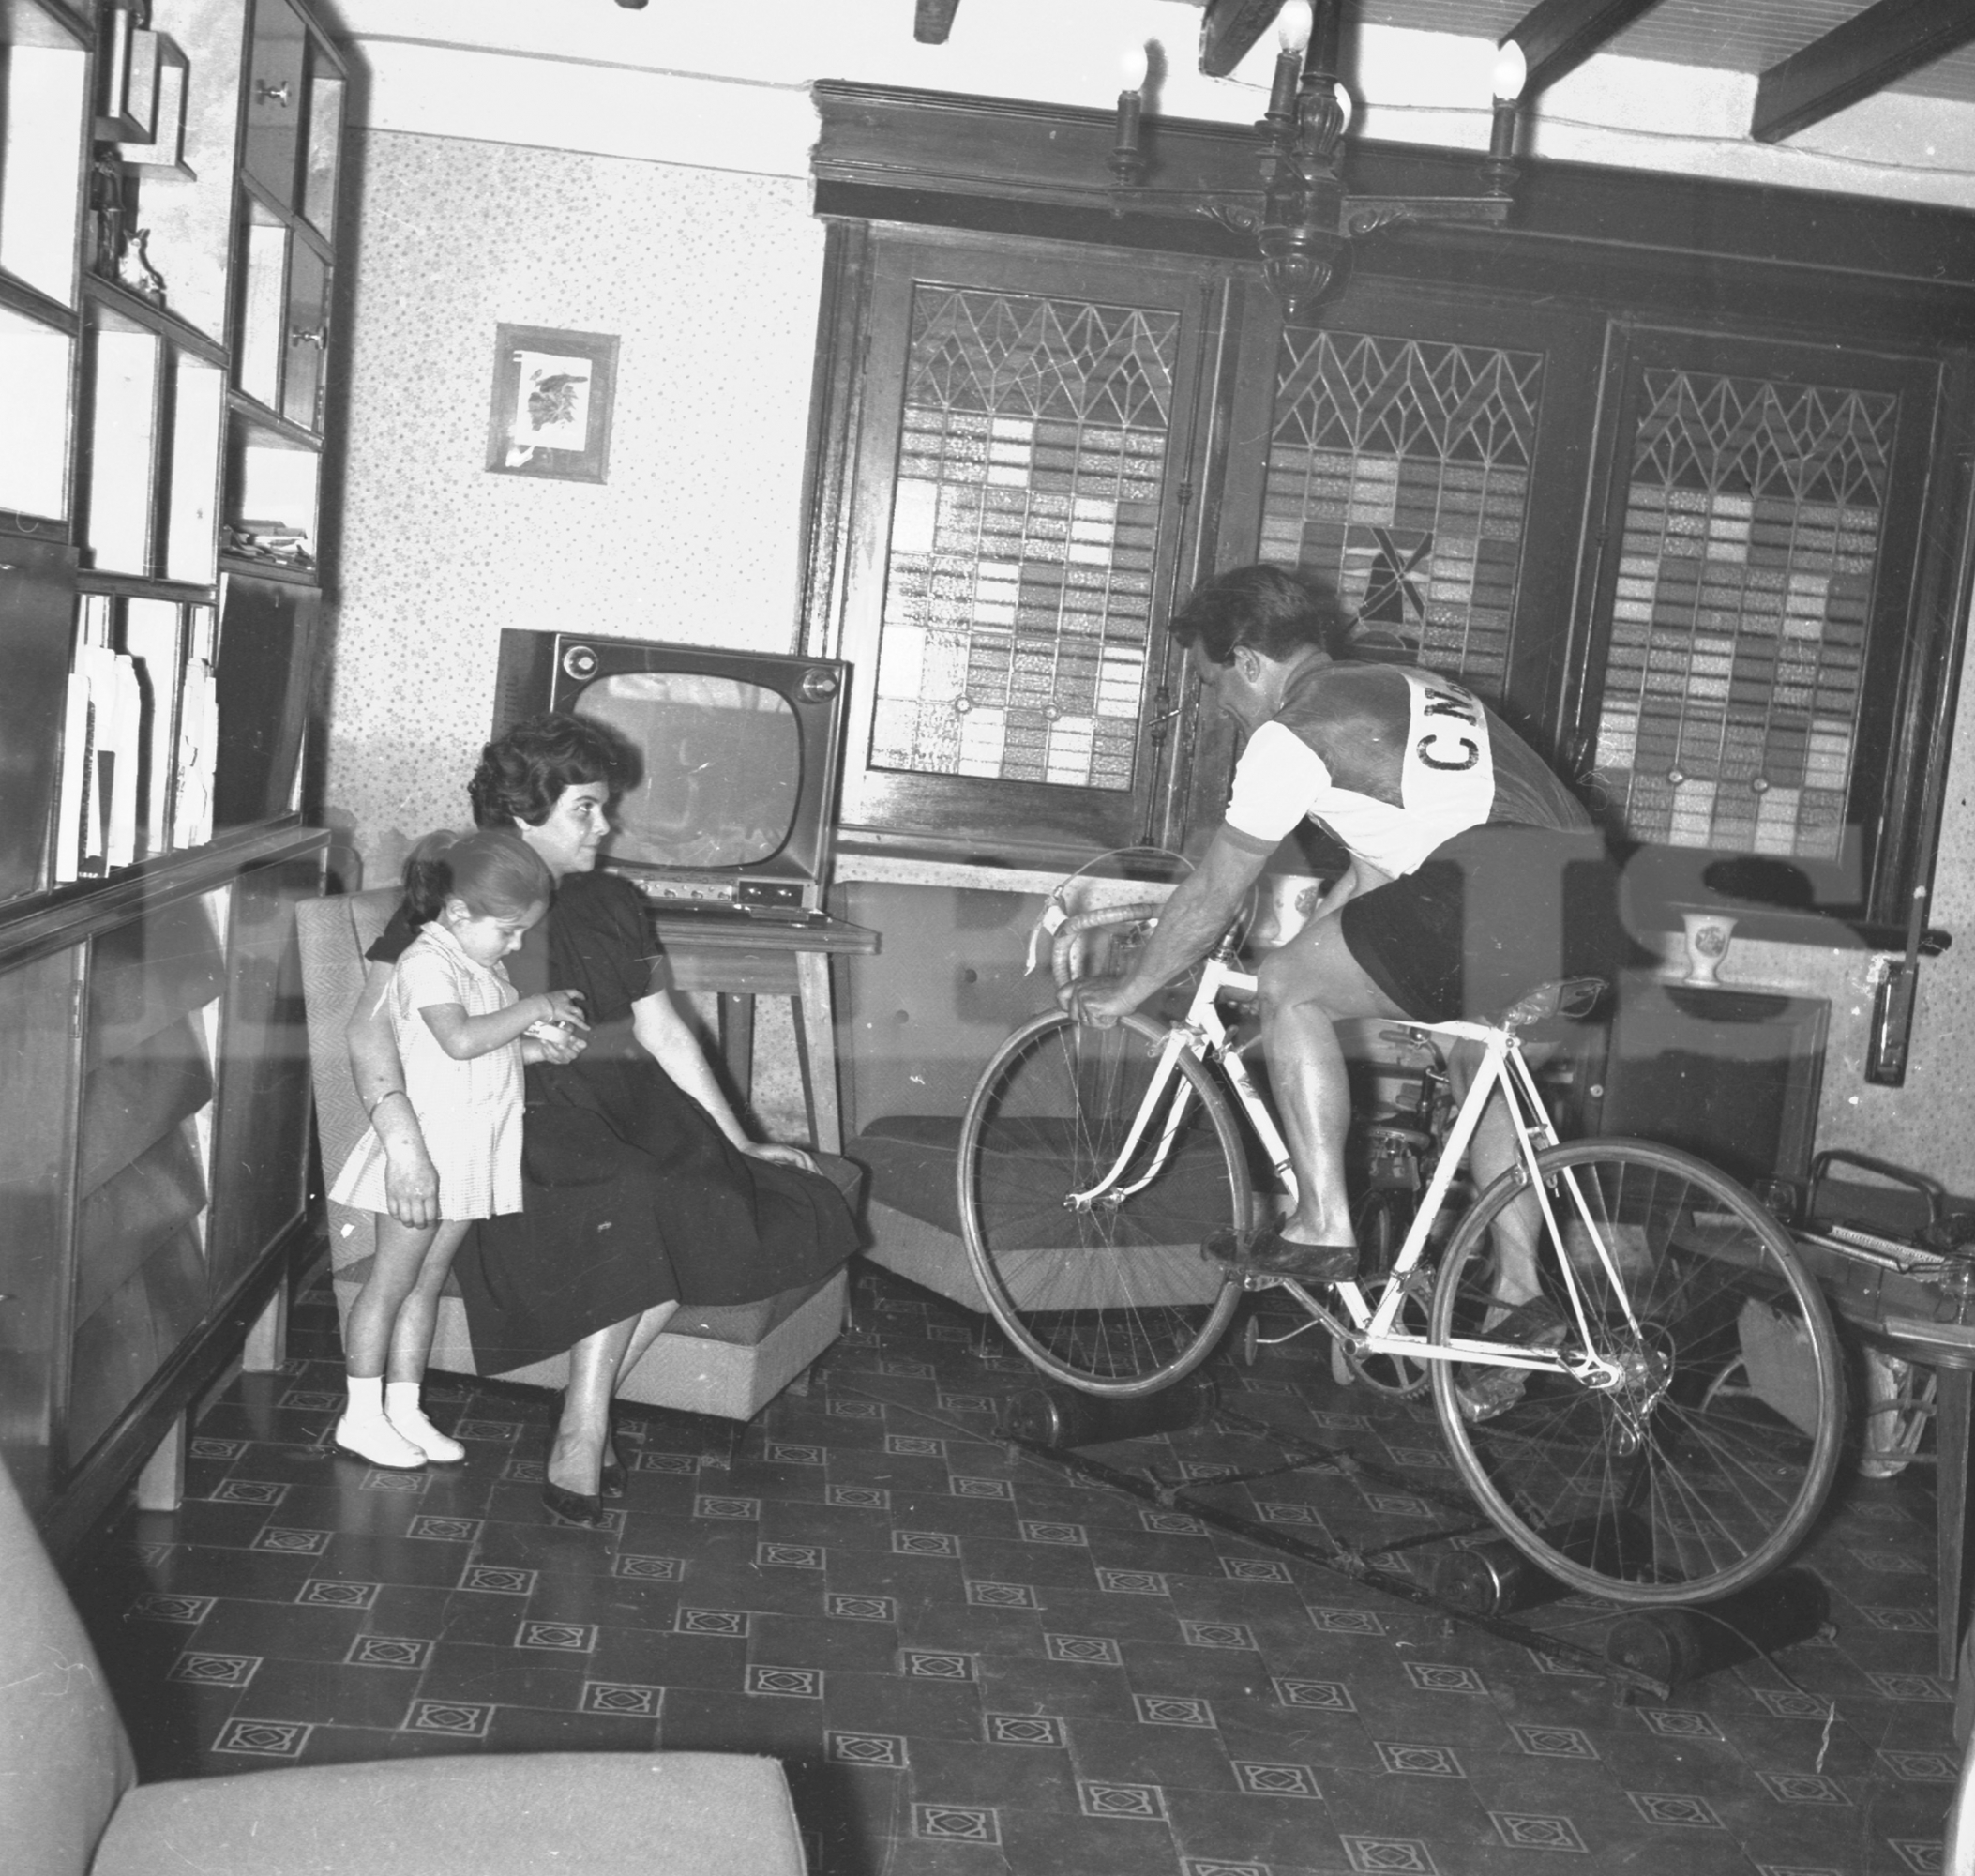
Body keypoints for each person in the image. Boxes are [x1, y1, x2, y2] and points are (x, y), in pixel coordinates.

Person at [1062, 565, 1620, 1384]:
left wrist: (1136, 987)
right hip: (1593, 905)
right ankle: (1520, 1294)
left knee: (1296, 986)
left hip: (1484, 891)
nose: (1220, 703)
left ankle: (1323, 1222)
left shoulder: (1288, 734)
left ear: (1250, 662)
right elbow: (1372, 879)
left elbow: (1219, 886)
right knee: (1476, 1059)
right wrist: (1276, 1002)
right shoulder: (1416, 686)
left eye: (1216, 681)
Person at [347, 713, 859, 1524]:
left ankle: (585, 1411)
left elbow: (662, 1029)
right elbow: (371, 1023)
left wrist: (740, 1137)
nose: (606, 824)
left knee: (711, 1185)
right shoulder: (461, 890)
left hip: (622, 1101)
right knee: (635, 1188)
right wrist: (399, 1134)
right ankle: (585, 1430)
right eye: (586, 808)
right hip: (517, 1112)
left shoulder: (617, 901)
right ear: (525, 815)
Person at [329, 829, 584, 1470]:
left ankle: (405, 1407)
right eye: (509, 930)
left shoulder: (482, 962)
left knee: (427, 1281)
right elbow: (460, 1042)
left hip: (471, 1150)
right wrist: (536, 1008)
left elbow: (486, 1054)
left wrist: (537, 1047)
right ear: (459, 911)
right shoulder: (426, 960)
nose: (517, 944)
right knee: (390, 1282)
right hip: (430, 1149)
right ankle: (359, 1416)